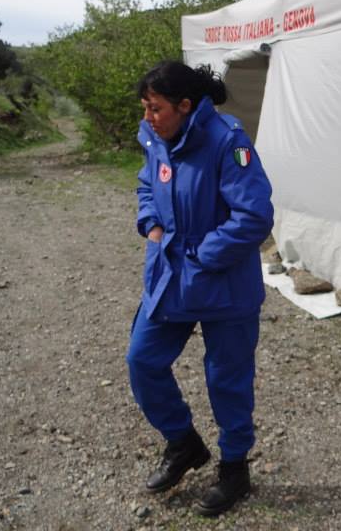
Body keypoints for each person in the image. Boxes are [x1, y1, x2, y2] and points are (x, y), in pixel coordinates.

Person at [125, 61, 274, 516]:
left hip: (222, 281)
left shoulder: (227, 141)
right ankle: (184, 443)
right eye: (146, 108)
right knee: (143, 360)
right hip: (171, 275)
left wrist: (204, 256)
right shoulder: (157, 137)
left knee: (226, 379)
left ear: (185, 106)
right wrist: (150, 223)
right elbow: (148, 184)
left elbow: (254, 217)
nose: (148, 117)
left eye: (156, 108)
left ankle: (234, 469)